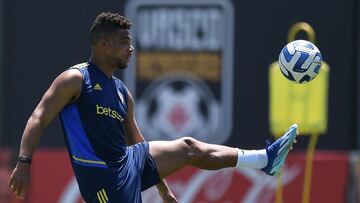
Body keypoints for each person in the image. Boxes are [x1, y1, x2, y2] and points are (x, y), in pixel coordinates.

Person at [8, 12, 298, 203]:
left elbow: (137, 142)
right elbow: (38, 117)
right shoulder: (75, 79)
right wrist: (24, 163)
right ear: (104, 45)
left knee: (188, 147)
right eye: (124, 43)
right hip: (104, 180)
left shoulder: (122, 92)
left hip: (128, 160)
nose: (131, 49)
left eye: (131, 43)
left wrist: (163, 189)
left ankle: (265, 159)